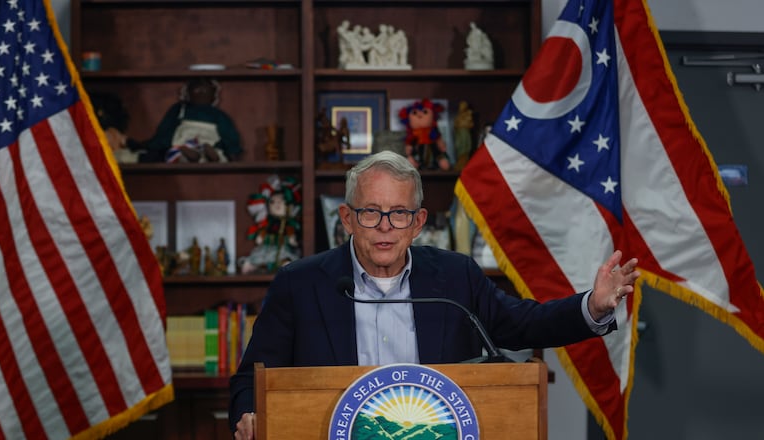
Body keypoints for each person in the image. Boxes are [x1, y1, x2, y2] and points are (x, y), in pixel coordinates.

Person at [228, 150, 640, 439]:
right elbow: (251, 376)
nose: (386, 226)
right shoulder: (300, 284)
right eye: (371, 212)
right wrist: (248, 414)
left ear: (418, 221)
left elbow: (522, 324)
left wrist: (593, 305)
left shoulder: (454, 277)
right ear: (348, 219)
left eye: (400, 213)